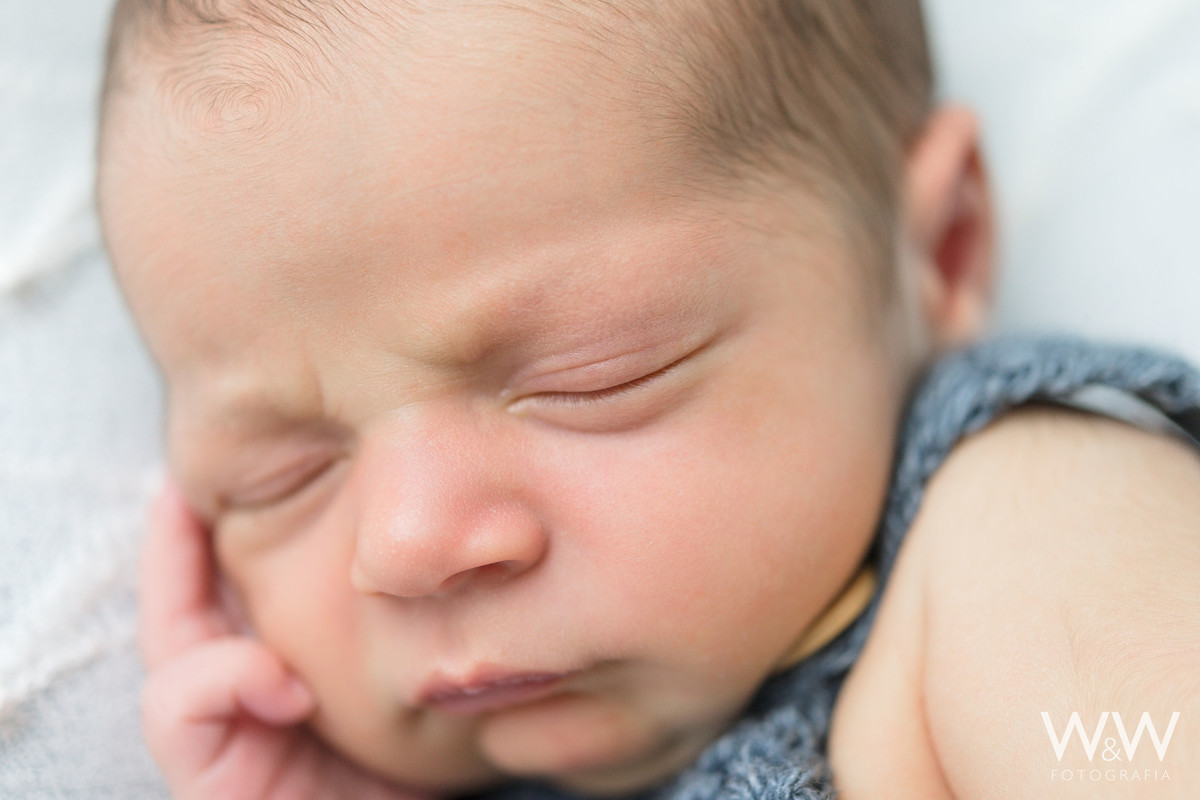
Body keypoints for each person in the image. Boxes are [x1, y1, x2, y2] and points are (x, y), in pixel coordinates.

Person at [96, 0, 1200, 797]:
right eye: (278, 473)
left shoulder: (1035, 527)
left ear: (937, 252)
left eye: (591, 376)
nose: (406, 542)